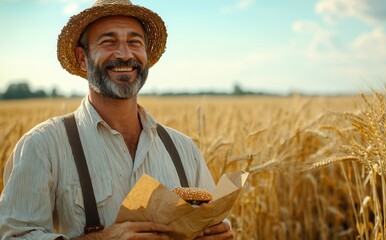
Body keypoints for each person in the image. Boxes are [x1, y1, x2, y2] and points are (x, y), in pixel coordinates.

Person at [0, 0, 233, 239]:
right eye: (108, 42)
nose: (124, 54)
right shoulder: (42, 146)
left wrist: (218, 232)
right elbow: (14, 235)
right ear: (82, 58)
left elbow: (211, 218)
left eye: (135, 42)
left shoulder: (184, 150)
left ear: (146, 56)